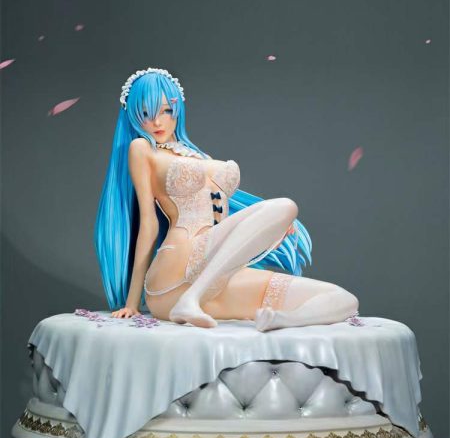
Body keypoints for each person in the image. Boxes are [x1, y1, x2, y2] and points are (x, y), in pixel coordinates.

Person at [95, 67, 359, 330]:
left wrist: (268, 226)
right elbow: (149, 224)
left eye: (166, 111)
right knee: (285, 206)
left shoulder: (197, 156)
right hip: (175, 272)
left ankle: (280, 321)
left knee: (344, 300)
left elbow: (226, 223)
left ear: (178, 109)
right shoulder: (142, 149)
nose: (157, 122)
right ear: (132, 115)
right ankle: (191, 299)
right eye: (145, 114)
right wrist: (132, 302)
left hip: (215, 268)